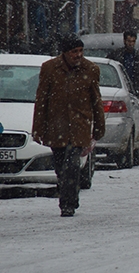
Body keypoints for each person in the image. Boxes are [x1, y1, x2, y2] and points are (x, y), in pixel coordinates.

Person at [32, 33, 105, 217]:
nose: (78, 55)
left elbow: (96, 100)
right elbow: (42, 100)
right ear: (64, 53)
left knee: (72, 165)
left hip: (79, 127)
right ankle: (70, 193)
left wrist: (98, 128)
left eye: (80, 51)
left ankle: (67, 204)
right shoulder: (49, 69)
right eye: (74, 52)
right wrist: (38, 129)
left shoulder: (90, 69)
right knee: (60, 168)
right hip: (57, 126)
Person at [106, 30, 139, 102]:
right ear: (124, 41)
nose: (131, 44)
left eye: (133, 41)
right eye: (129, 41)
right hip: (119, 91)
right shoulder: (116, 55)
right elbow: (106, 69)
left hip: (136, 94)